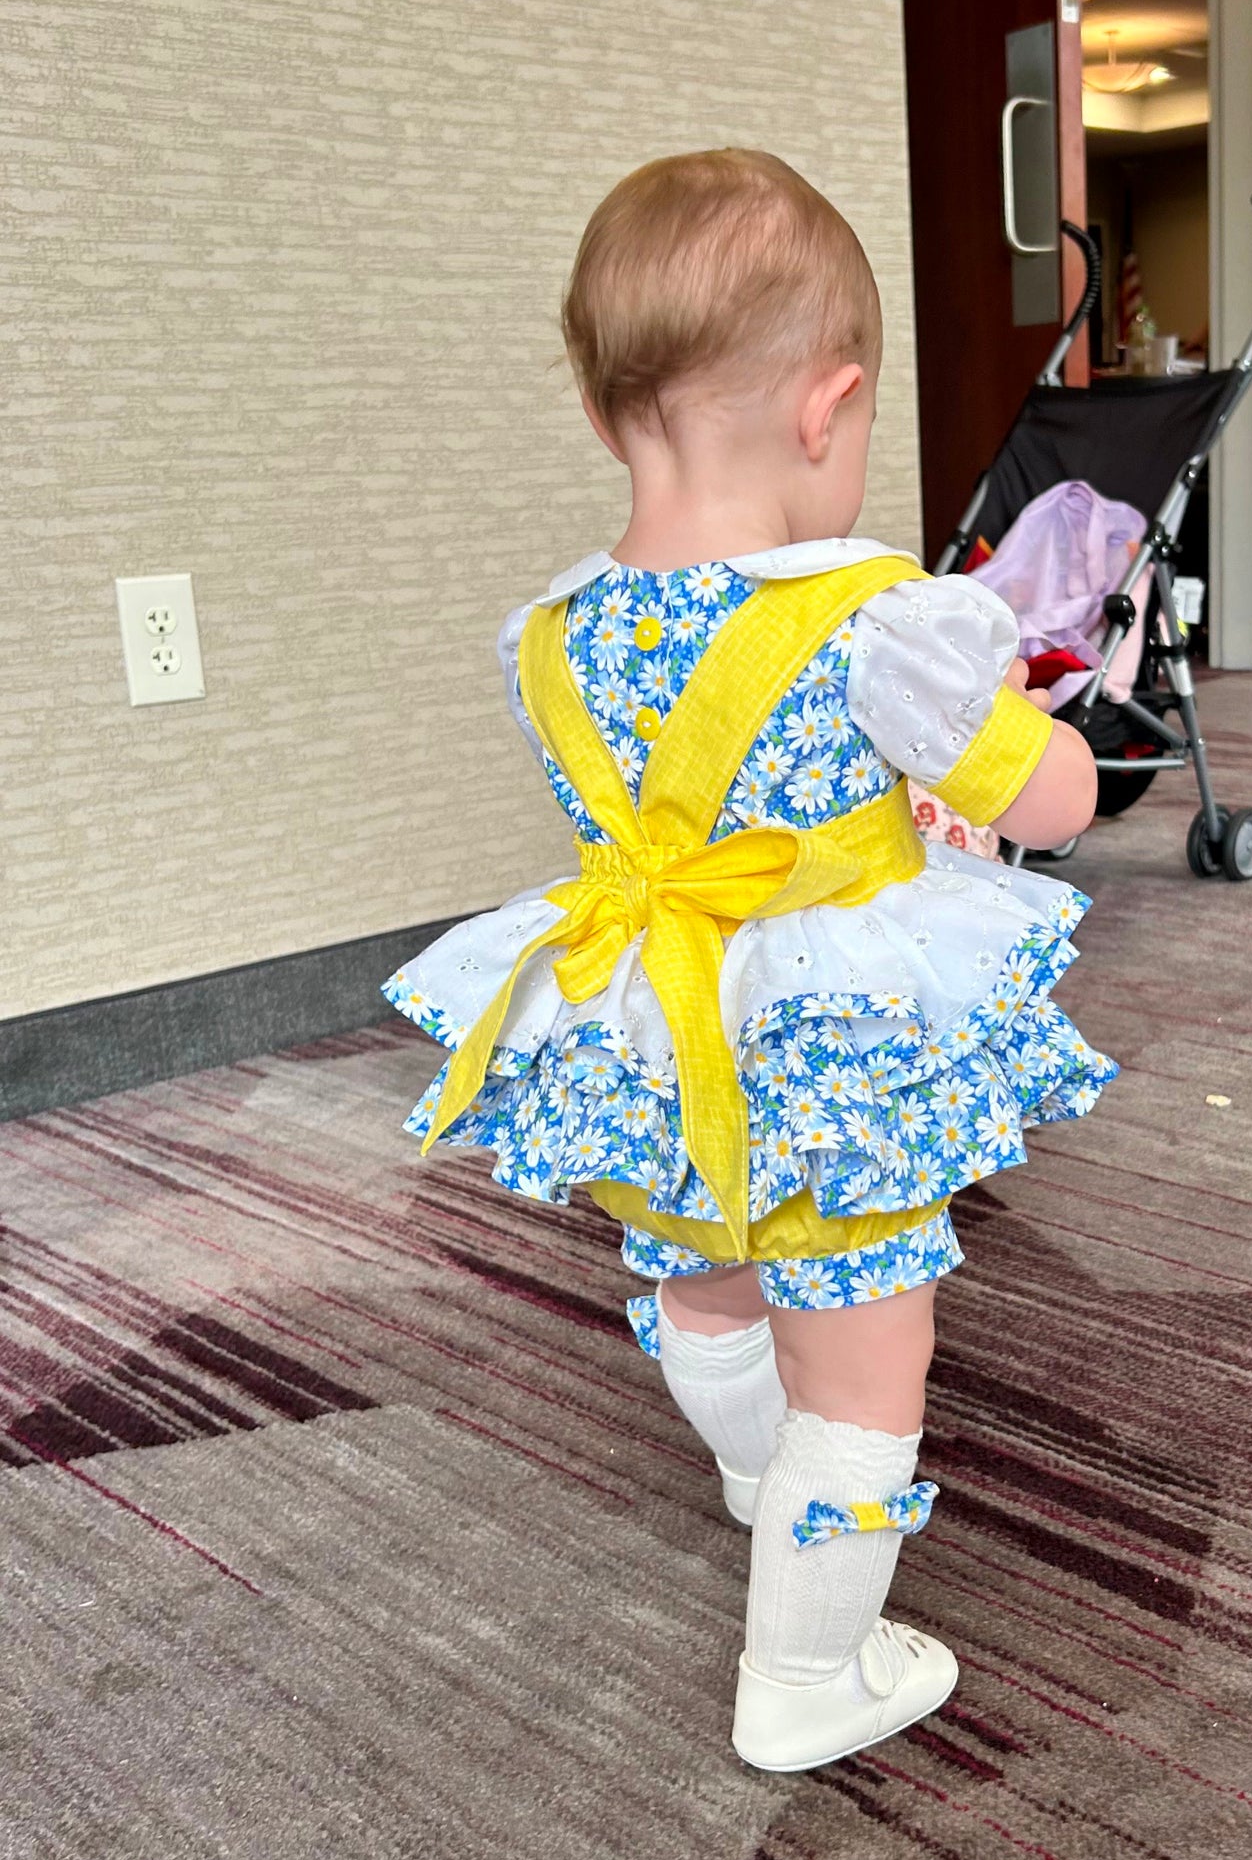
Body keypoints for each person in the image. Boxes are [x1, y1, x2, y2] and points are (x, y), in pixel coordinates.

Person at [384, 150, 1114, 1773]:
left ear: (600, 414)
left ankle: (751, 1474)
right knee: (865, 1343)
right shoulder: (867, 616)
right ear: (826, 410)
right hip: (824, 1047)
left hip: (646, 1022)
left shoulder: (550, 633)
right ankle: (810, 1670)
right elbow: (1049, 800)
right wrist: (1031, 748)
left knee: (703, 1277)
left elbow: (661, 811)